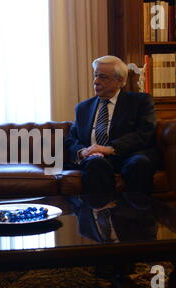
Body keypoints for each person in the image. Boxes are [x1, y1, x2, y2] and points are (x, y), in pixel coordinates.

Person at [65, 55, 160, 195]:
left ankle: (137, 215)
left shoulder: (139, 102)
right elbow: (71, 140)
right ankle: (101, 213)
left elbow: (144, 134)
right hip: (94, 159)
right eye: (95, 75)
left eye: (102, 77)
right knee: (95, 163)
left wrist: (109, 149)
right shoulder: (83, 108)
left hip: (126, 156)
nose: (96, 81)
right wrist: (83, 152)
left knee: (140, 162)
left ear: (119, 81)